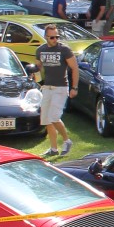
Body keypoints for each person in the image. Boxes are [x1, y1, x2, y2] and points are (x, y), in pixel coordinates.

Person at [36, 24, 78, 157]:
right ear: (46, 37)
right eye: (52, 37)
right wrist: (34, 73)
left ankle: (67, 141)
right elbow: (38, 67)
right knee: (47, 119)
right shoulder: (40, 50)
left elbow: (75, 68)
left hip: (60, 87)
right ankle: (53, 149)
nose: (55, 39)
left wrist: (74, 87)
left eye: (57, 36)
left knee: (54, 117)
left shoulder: (64, 49)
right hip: (47, 87)